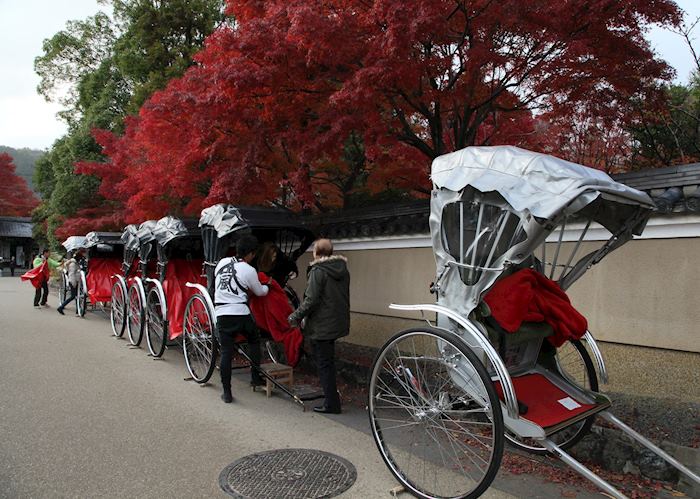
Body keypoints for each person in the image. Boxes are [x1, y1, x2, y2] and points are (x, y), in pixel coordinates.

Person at [289, 238, 350, 414]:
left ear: (316, 252)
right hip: (336, 321)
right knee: (328, 362)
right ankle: (332, 398)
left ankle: (332, 404)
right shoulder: (342, 270)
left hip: (322, 324)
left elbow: (311, 300)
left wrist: (294, 316)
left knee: (324, 365)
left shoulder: (318, 271)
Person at [214, 234, 270, 403]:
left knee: (226, 352)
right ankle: (255, 376)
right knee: (254, 340)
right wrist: (268, 286)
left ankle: (227, 393)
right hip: (240, 313)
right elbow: (259, 292)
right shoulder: (249, 270)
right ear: (251, 254)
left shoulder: (222, 263)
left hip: (222, 313)